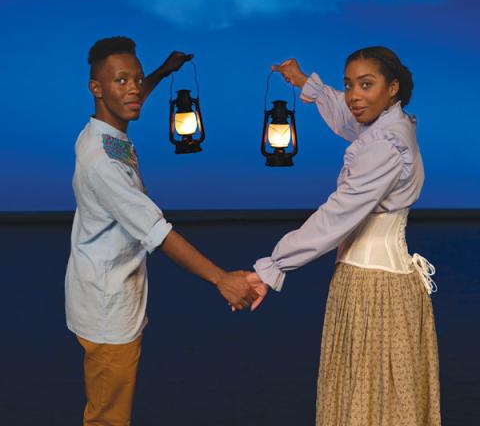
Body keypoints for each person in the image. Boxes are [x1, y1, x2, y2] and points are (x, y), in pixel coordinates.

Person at [65, 36, 258, 426]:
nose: (134, 88)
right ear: (96, 89)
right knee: (107, 418)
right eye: (121, 81)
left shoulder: (105, 133)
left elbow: (130, 97)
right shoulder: (103, 161)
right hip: (107, 309)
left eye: (136, 79)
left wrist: (161, 73)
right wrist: (222, 279)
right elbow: (157, 231)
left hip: (110, 292)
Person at [247, 47, 441, 425]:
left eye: (366, 85)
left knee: (371, 402)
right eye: (349, 84)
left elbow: (340, 214)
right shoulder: (387, 125)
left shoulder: (387, 143)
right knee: (369, 398)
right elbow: (347, 117)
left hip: (374, 287)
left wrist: (275, 265)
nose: (354, 95)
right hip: (375, 282)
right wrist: (306, 84)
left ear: (393, 88)